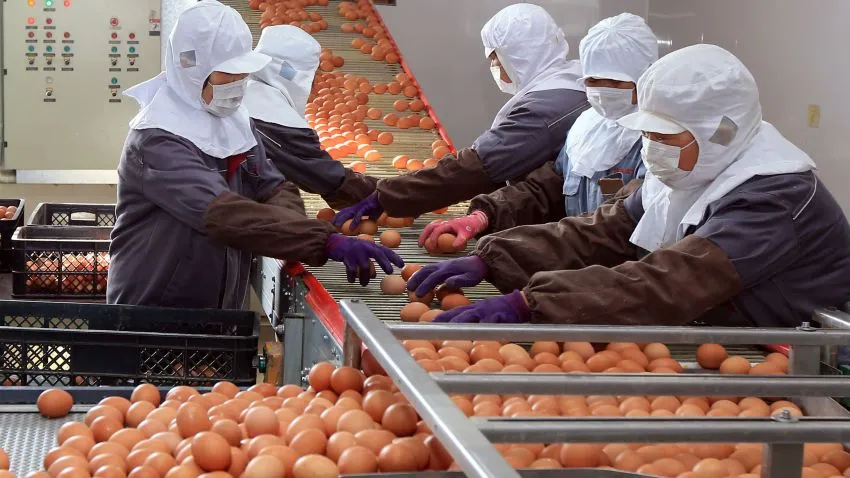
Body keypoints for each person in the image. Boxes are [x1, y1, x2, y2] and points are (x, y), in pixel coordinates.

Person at [408, 44, 850, 328]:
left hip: (798, 362)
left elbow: (671, 281)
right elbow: (604, 228)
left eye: (665, 136)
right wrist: (495, 259)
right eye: (648, 135)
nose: (651, 150)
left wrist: (531, 303)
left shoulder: (774, 197)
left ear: (721, 131)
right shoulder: (693, 171)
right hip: (728, 339)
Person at [108, 1, 401, 309]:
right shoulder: (157, 141)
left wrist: (294, 233)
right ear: (192, 70)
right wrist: (323, 240)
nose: (237, 85)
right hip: (153, 315)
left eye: (242, 74)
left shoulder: (234, 121)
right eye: (227, 74)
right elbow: (221, 214)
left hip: (215, 309)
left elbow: (274, 187)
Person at [332, 3, 589, 231]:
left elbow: (477, 167)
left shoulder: (542, 111)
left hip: (560, 226)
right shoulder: (576, 81)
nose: (495, 70)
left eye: (497, 61)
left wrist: (384, 196)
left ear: (518, 58)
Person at [418, 13, 656, 251]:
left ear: (643, 78)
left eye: (614, 82)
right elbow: (546, 188)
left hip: (617, 278)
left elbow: (613, 225)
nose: (602, 90)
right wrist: (485, 214)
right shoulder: (587, 126)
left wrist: (511, 255)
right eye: (592, 80)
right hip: (572, 267)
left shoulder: (657, 143)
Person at [244, 25, 377, 209]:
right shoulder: (277, 120)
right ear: (299, 76)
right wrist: (384, 194)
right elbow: (325, 176)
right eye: (314, 75)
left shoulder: (238, 92)